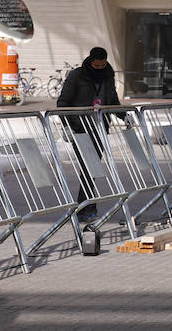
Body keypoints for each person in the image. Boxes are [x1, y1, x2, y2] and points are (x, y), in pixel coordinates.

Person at [56, 47, 121, 222]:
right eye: (96, 65)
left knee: (92, 169)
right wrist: (67, 125)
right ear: (90, 61)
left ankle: (86, 206)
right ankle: (84, 207)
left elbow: (113, 100)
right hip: (80, 128)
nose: (99, 68)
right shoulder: (77, 75)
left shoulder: (108, 75)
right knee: (87, 167)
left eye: (102, 65)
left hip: (100, 128)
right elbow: (63, 102)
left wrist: (124, 115)